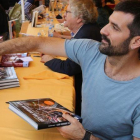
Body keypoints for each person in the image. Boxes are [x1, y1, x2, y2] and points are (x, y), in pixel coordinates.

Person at [0, 0, 140, 139]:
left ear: (136, 41)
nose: (103, 30)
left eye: (115, 28)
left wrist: (83, 136)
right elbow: (37, 43)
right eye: (108, 23)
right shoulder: (91, 50)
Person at [41, 0, 101, 116]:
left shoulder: (85, 35)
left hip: (86, 92)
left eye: (67, 12)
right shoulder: (86, 30)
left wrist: (49, 60)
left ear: (79, 18)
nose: (64, 15)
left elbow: (69, 68)